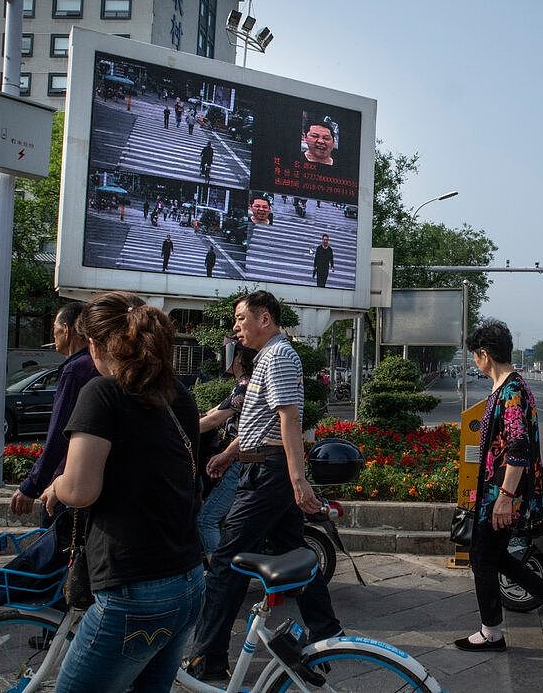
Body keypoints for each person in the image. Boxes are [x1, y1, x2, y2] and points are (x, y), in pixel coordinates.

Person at [39, 291, 203, 691]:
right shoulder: (177, 394)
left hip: (134, 588)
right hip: (188, 580)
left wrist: (56, 487)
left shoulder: (102, 393)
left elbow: (80, 489)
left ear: (94, 344)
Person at [184, 291, 341, 681]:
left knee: (225, 562)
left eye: (241, 319)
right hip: (262, 468)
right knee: (294, 551)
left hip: (270, 474)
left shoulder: (281, 356)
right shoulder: (266, 358)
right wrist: (230, 454)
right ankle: (328, 633)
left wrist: (298, 480)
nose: (236, 327)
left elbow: (289, 423)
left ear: (265, 318)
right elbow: (260, 423)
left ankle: (208, 659)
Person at [455, 320, 543, 652]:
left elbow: (517, 448)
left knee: (482, 556)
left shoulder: (512, 392)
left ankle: (492, 631)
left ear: (485, 355)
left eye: (475, 356)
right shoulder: (505, 388)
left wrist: (505, 497)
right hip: (497, 490)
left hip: (504, 493)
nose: (475, 362)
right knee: (491, 555)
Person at [11, 302, 99, 521]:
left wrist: (32, 485)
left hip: (68, 479)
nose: (54, 335)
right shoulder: (92, 366)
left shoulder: (76, 370)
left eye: (54, 328)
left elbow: (60, 433)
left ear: (67, 329)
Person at [195, 345, 256, 562]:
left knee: (206, 520)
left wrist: (177, 428)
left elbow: (213, 420)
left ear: (239, 359)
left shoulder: (245, 388)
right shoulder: (241, 386)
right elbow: (212, 412)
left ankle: (219, 574)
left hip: (240, 461)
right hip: (243, 460)